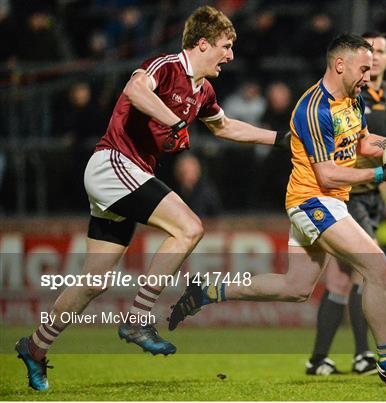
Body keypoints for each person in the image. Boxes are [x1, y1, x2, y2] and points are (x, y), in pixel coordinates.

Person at [15, 6, 291, 392]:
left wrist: (281, 139)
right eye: (226, 46)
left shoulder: (204, 90)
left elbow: (226, 127)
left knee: (94, 281)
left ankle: (35, 347)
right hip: (113, 163)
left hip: (123, 177)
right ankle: (139, 317)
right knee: (190, 227)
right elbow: (134, 89)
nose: (230, 55)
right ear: (202, 44)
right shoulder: (166, 66)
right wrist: (174, 121)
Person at [169, 33, 386, 386]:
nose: (369, 77)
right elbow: (327, 173)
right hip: (313, 200)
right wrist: (385, 173)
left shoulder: (352, 100)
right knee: (377, 266)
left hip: (327, 201)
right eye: (364, 69)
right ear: (339, 65)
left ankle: (209, 291)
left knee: (295, 287)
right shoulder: (314, 109)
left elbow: (363, 141)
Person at [306, 31, 386, 376]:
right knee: (368, 271)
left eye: (381, 51)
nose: (376, 59)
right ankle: (367, 355)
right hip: (348, 197)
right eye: (370, 54)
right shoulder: (337, 100)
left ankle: (322, 358)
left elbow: (377, 145)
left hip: (369, 197)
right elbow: (357, 153)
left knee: (337, 280)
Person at [172, 153, 222, 218]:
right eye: (185, 172)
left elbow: (216, 215)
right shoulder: (173, 192)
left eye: (191, 172)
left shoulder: (207, 192)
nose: (189, 176)